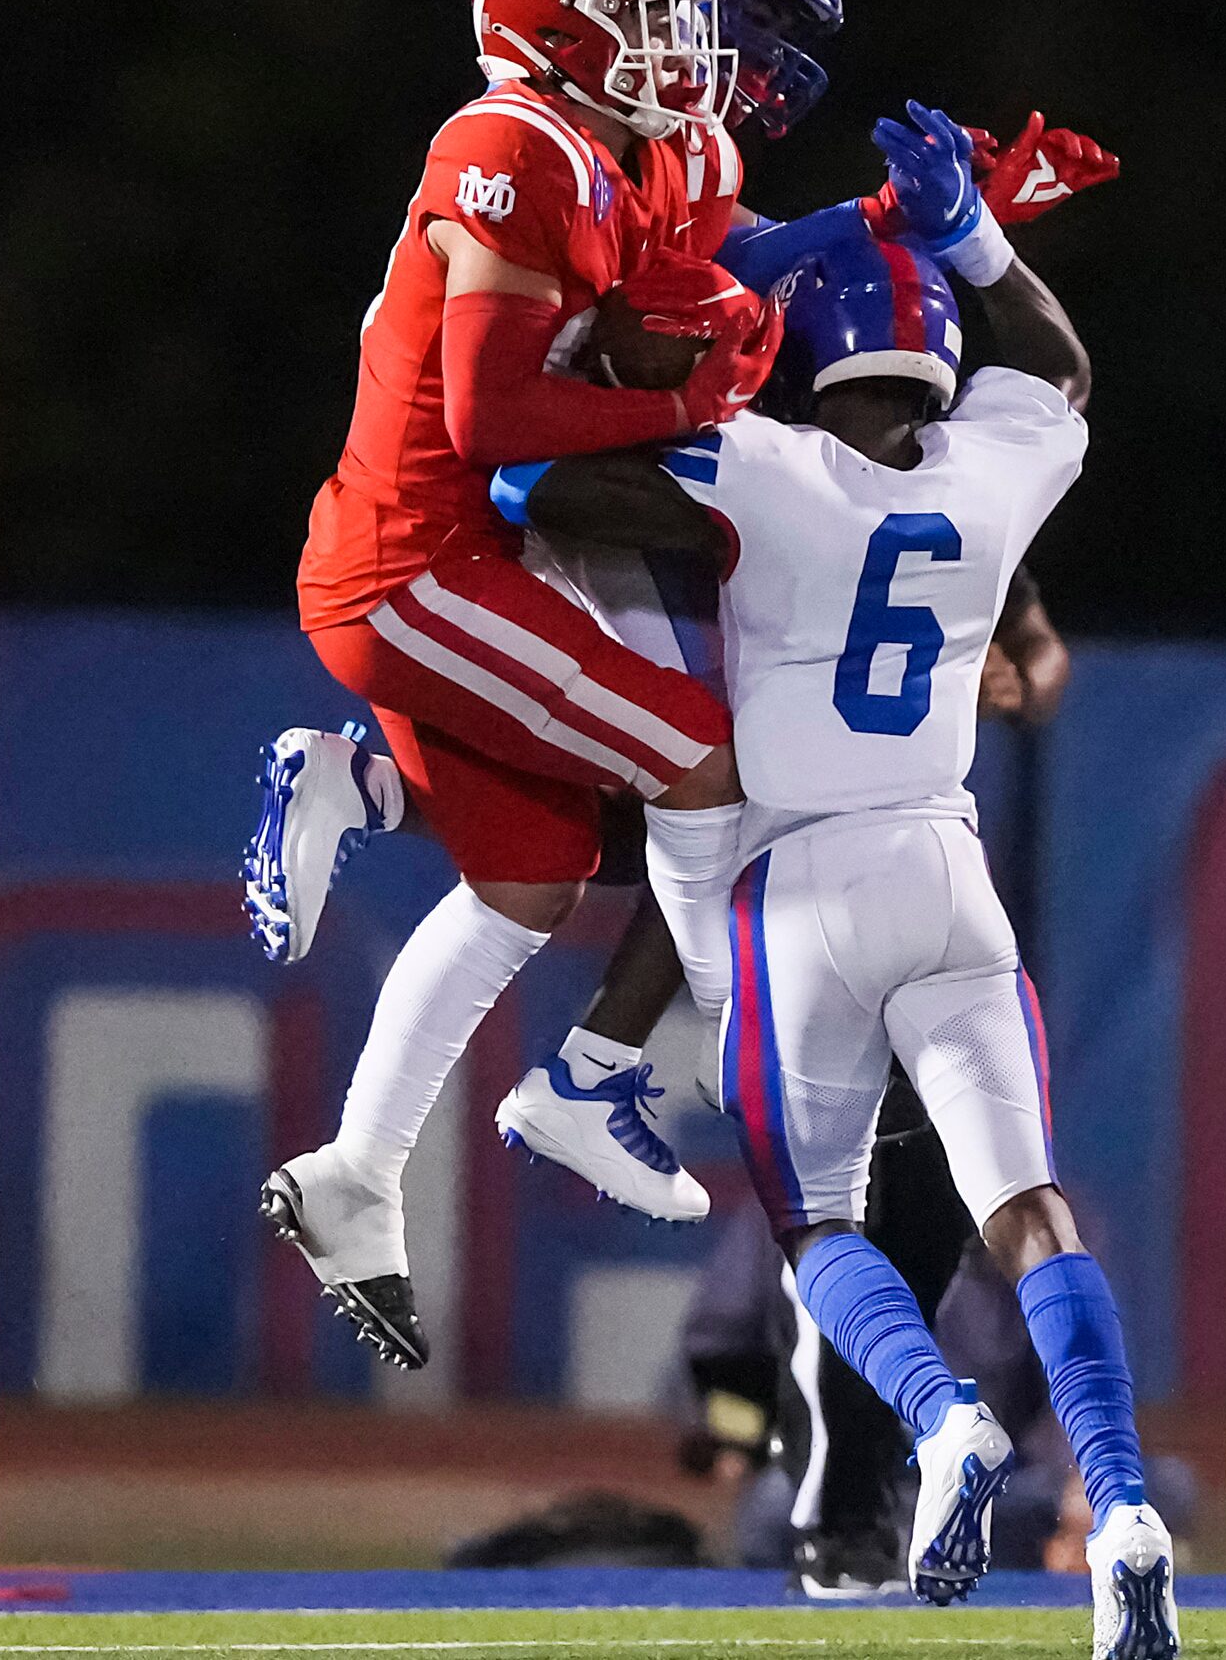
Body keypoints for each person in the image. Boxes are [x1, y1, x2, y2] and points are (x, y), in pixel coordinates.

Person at [490, 107, 1180, 1655]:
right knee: (1033, 1208)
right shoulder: (998, 471)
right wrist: (975, 241)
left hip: (797, 885)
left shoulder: (770, 463)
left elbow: (544, 483)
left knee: (813, 1221)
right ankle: (1122, 1502)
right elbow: (1057, 369)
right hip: (948, 867)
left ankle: (939, 1425)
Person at [494, 0, 1117, 1220]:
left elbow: (881, 480)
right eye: (759, 13)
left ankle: (639, 1058)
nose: (773, 57)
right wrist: (906, 247)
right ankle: (611, 1055)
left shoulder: (683, 163)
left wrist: (1003, 604)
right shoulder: (568, 143)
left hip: (618, 497)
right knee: (727, 768)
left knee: (736, 775)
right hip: (526, 497)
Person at [245, 0, 789, 1370]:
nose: (684, 50)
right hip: (416, 569)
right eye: (649, 22)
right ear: (551, 31)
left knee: (533, 880)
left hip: (443, 554)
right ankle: (670, 1060)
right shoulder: (510, 143)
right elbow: (489, 413)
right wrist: (685, 396)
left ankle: (355, 1177)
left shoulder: (615, 152)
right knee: (700, 759)